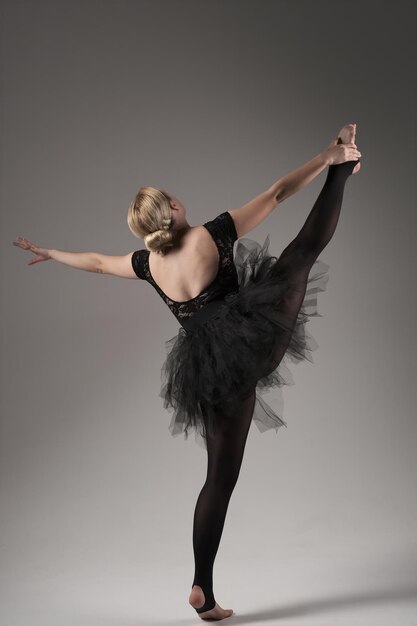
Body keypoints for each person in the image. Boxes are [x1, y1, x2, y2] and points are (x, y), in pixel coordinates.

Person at [13, 123, 361, 620]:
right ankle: (345, 170)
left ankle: (203, 588)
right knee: (299, 257)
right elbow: (278, 192)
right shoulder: (209, 234)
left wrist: (51, 253)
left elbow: (93, 261)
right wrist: (327, 158)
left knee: (217, 480)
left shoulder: (146, 263)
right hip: (246, 342)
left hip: (204, 369)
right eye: (176, 197)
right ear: (173, 209)